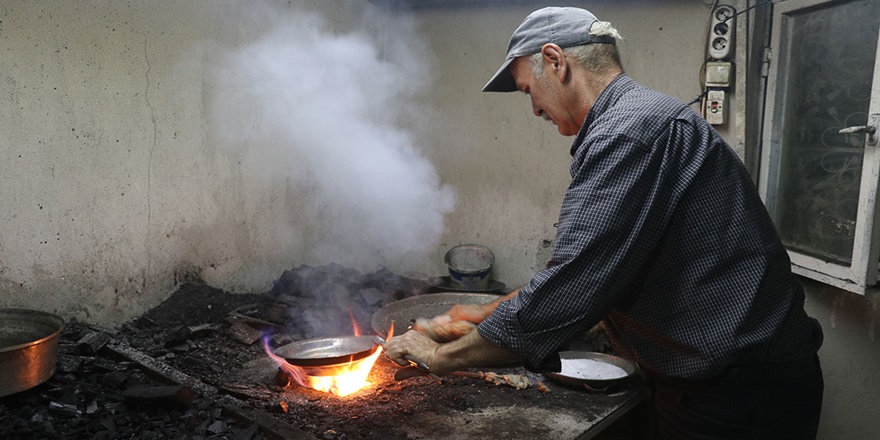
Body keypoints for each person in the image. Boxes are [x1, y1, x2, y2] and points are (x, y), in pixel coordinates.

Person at [383, 6, 824, 439]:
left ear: (555, 61)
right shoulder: (639, 118)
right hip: (730, 382)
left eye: (527, 91)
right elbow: (597, 269)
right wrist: (484, 313)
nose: (534, 109)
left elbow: (574, 283)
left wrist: (440, 357)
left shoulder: (627, 132)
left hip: (736, 397)